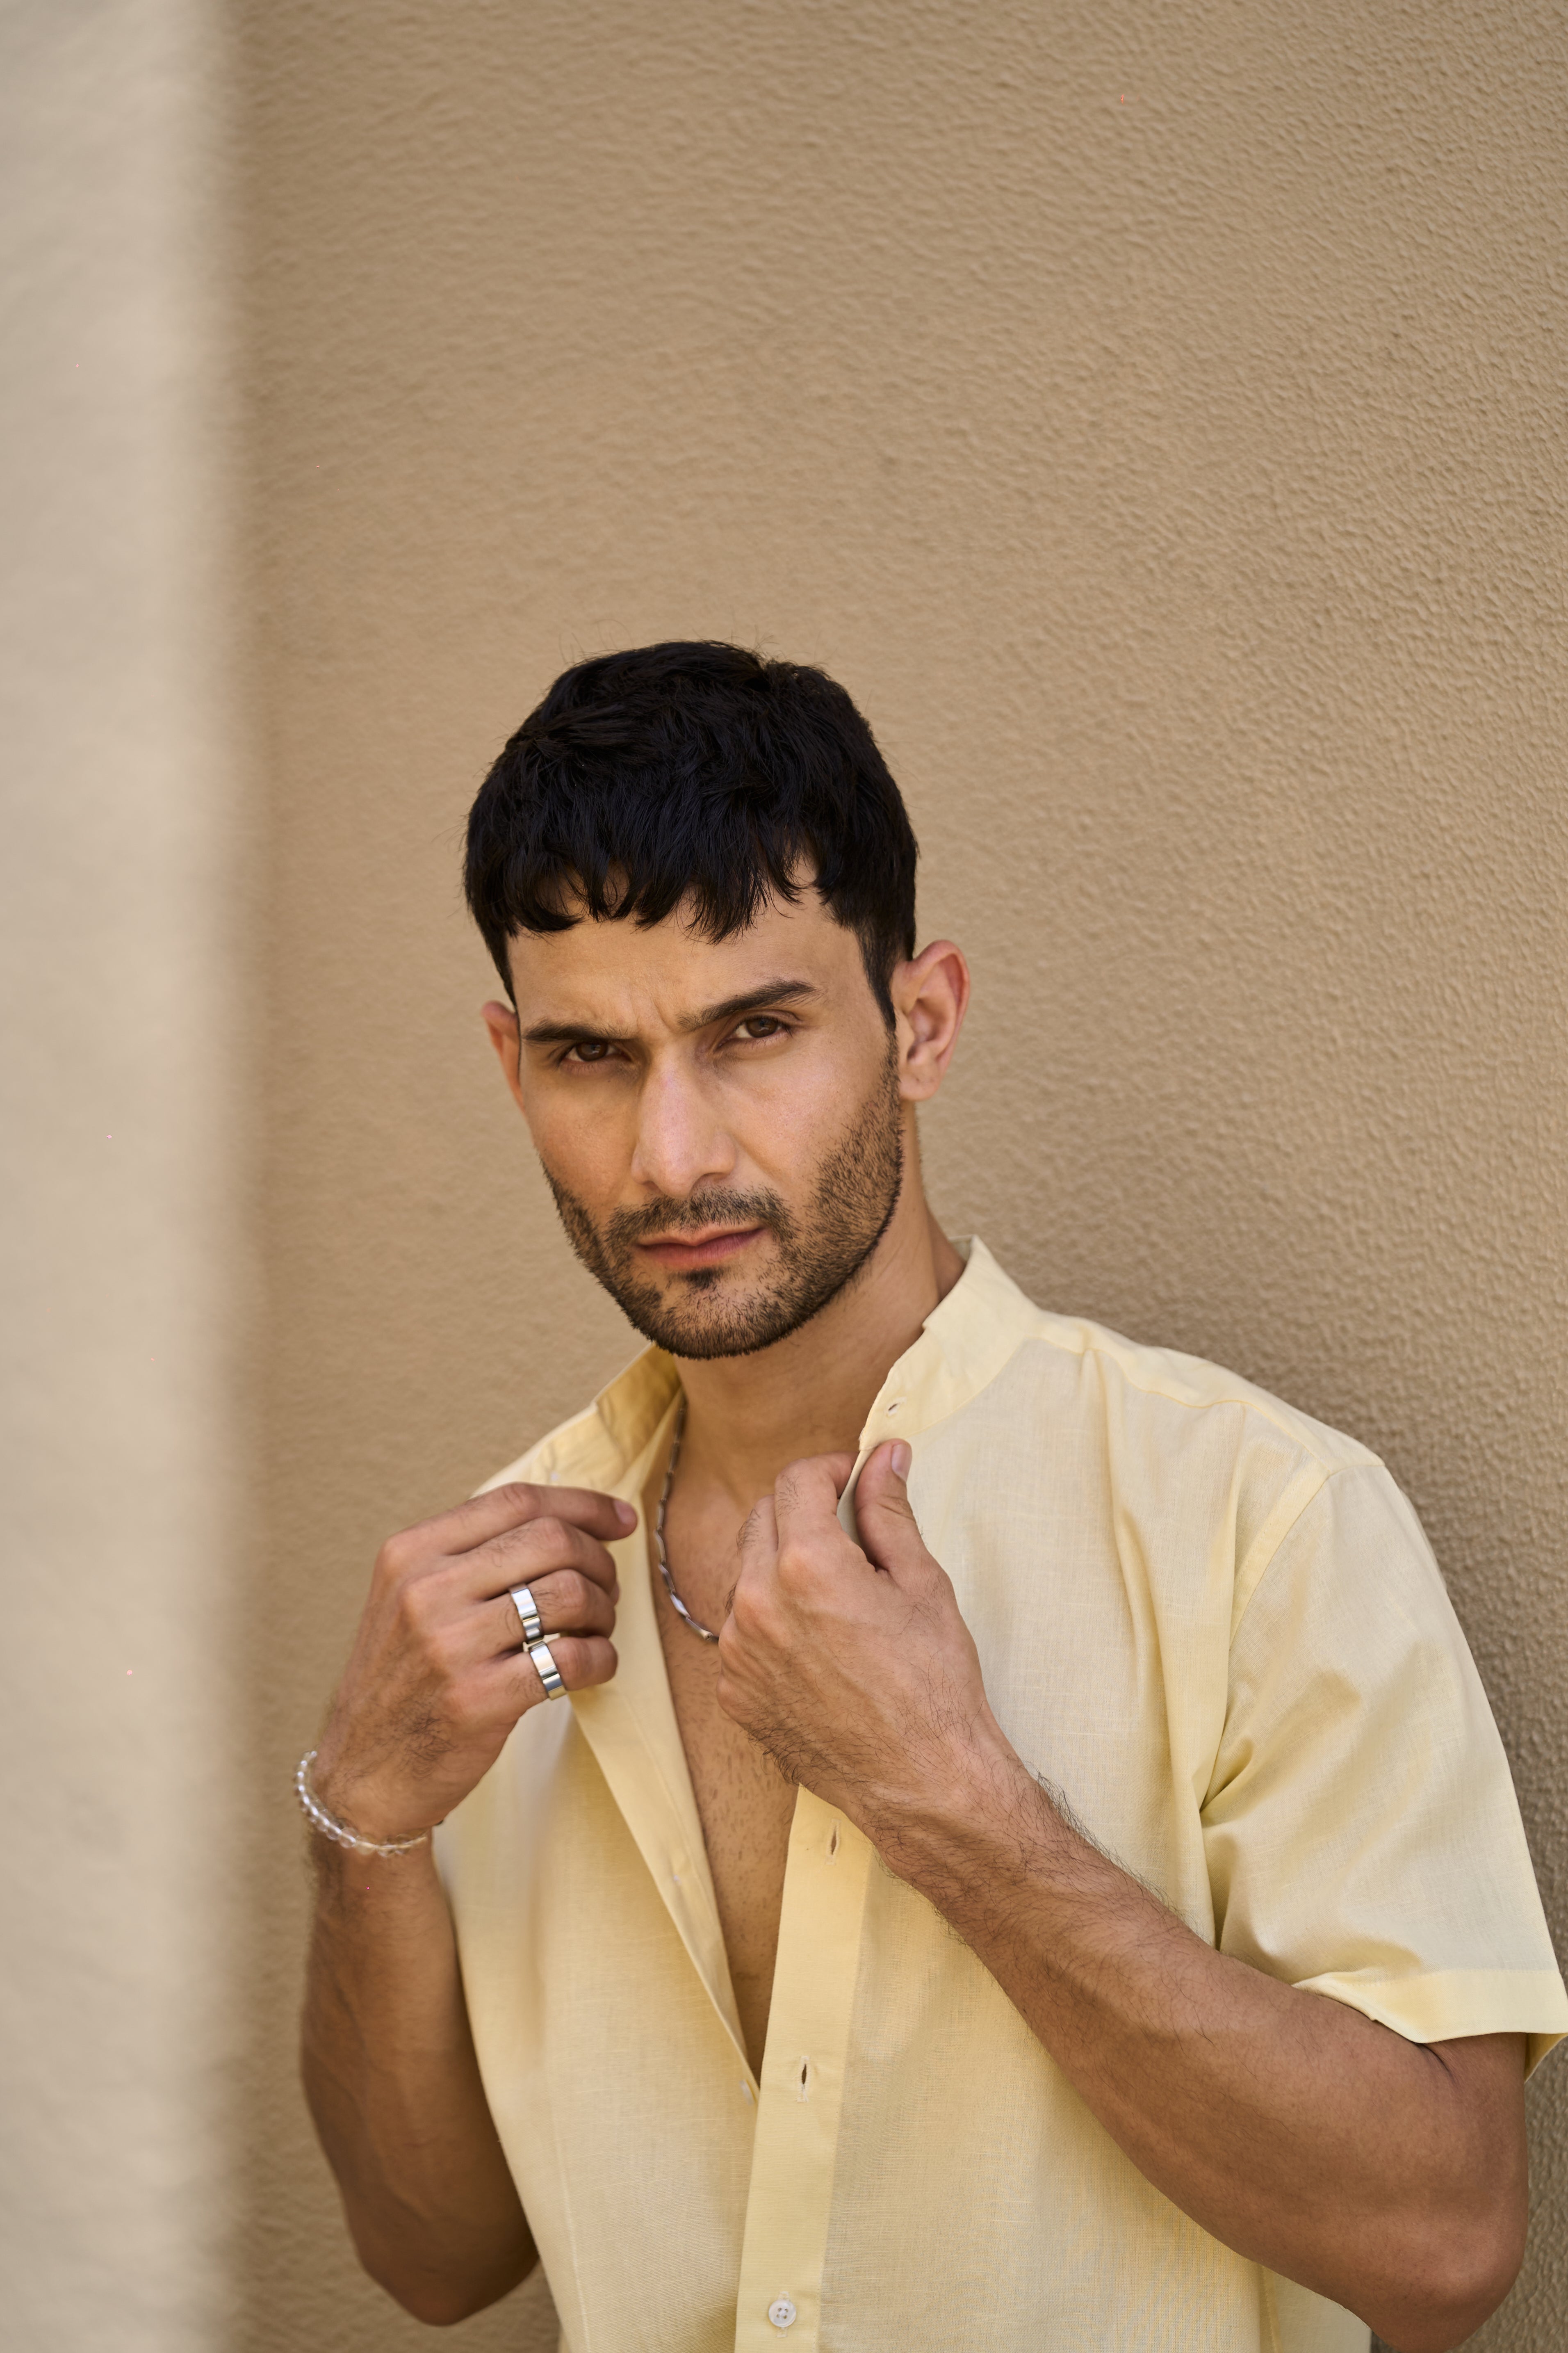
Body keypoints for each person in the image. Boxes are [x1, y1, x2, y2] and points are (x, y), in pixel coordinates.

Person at [300, 641, 1566, 2353]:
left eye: (753, 1029)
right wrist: (363, 1822)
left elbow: (1442, 2241)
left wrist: (954, 1804)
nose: (670, 1156)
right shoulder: (492, 1598)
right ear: (511, 1064)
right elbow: (432, 2258)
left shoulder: (1255, 1517)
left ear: (919, 1022)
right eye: (593, 1057)